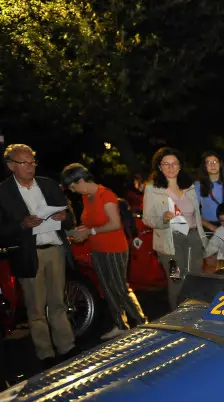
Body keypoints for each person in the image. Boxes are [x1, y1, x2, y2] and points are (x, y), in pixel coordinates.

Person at [0, 144, 75, 367]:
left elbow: (70, 215)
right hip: (28, 255)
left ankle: (67, 348)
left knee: (58, 303)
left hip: (55, 250)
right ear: (11, 165)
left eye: (33, 161)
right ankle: (46, 355)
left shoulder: (48, 184)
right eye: (24, 162)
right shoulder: (3, 192)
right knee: (36, 308)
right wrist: (21, 224)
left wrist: (65, 217)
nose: (30, 166)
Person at [61, 163, 147, 339]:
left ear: (82, 180)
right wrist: (81, 231)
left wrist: (90, 231)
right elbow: (92, 222)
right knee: (107, 288)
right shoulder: (87, 197)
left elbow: (115, 223)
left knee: (119, 287)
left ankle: (142, 322)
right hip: (98, 248)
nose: (72, 190)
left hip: (114, 248)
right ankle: (121, 324)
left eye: (72, 186)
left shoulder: (105, 194)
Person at [142, 147, 207, 310]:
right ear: (159, 166)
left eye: (174, 163)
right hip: (170, 241)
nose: (171, 168)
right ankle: (177, 318)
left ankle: (194, 315)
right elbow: (147, 219)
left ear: (180, 165)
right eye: (166, 164)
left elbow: (197, 215)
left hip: (193, 238)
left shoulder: (189, 186)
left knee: (195, 279)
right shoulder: (152, 189)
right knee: (176, 280)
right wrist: (163, 218)